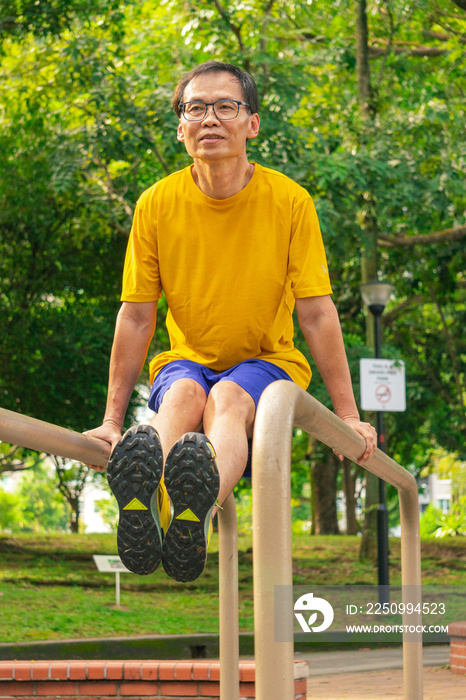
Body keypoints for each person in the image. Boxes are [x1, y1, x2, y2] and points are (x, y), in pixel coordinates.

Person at [86, 60, 377, 582]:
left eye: (226, 106)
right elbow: (135, 316)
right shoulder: (156, 204)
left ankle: (191, 513)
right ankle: (148, 499)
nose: (210, 119)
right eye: (196, 108)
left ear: (252, 123)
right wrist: (110, 422)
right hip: (186, 359)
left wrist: (347, 416)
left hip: (267, 359)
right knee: (181, 397)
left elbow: (315, 311)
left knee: (229, 400)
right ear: (181, 127)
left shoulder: (290, 202)